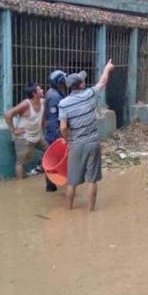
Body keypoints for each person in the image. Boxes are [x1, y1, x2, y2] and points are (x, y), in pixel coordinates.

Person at [58, 61, 115, 212]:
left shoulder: (63, 104)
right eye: (83, 80)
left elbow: (63, 127)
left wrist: (67, 139)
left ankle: (68, 211)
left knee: (72, 182)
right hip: (92, 142)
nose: (85, 81)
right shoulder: (90, 95)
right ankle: (90, 211)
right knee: (92, 180)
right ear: (81, 85)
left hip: (76, 143)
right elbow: (102, 81)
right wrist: (107, 68)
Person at [5, 82, 47, 179]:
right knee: (20, 163)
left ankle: (41, 168)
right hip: (23, 138)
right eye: (40, 89)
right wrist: (13, 130)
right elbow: (8, 114)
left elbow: (43, 117)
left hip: (37, 136)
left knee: (49, 150)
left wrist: (44, 128)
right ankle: (20, 185)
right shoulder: (26, 104)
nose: (42, 90)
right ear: (34, 94)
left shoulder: (42, 101)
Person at [44, 70, 67, 192]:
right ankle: (51, 185)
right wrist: (60, 136)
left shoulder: (54, 93)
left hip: (52, 132)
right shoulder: (54, 97)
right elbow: (53, 120)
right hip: (54, 134)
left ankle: (52, 184)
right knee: (55, 160)